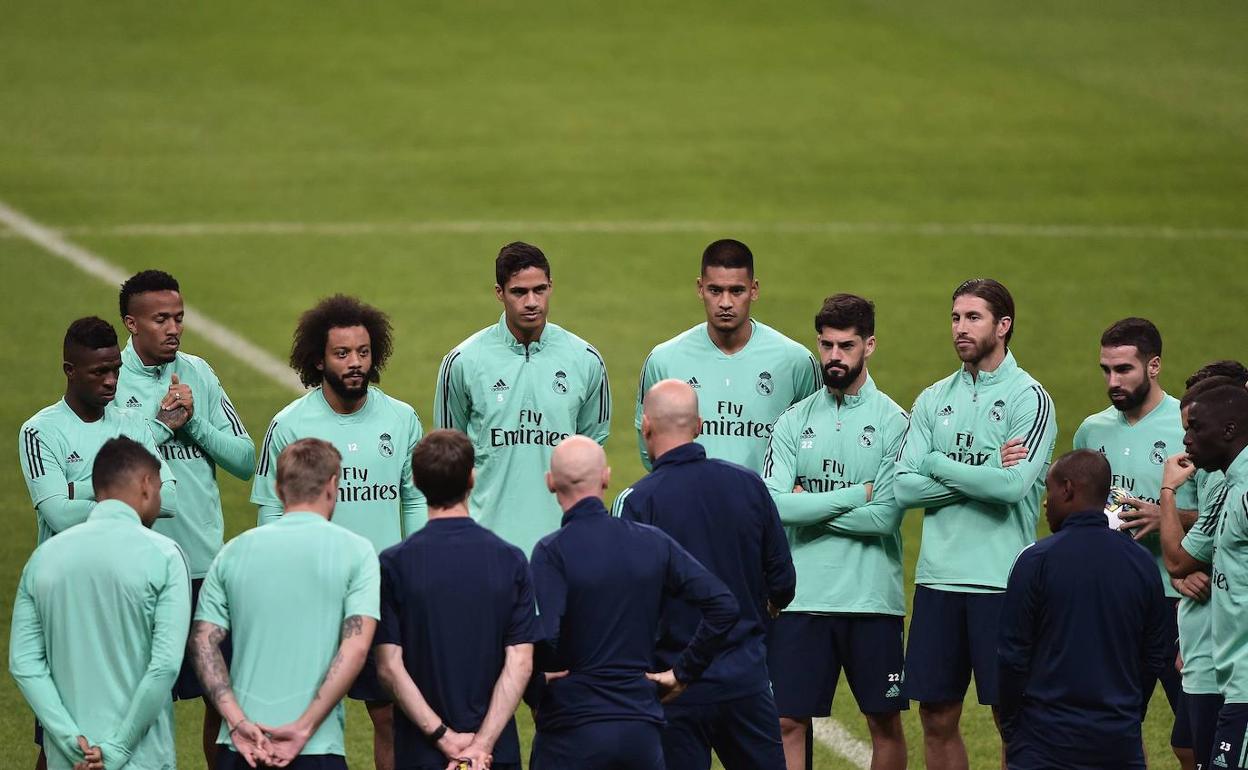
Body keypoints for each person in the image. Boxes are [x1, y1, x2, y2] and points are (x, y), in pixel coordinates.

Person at [251, 294, 423, 770]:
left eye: (363, 352)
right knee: (299, 712)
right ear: (318, 359)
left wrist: (413, 570)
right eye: (342, 354)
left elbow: (414, 500)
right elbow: (270, 509)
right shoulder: (289, 424)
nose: (355, 364)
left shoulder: (401, 419)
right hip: (310, 593)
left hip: (381, 593)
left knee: (389, 714)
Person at [894, 278, 1057, 770]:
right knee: (936, 715)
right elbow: (903, 488)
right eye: (955, 317)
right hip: (938, 580)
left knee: (1013, 717)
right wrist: (987, 466)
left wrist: (937, 463)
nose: (960, 328)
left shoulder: (1030, 399)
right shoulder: (931, 399)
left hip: (1001, 583)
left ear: (1003, 326)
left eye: (973, 318)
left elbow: (1012, 489)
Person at [17, 316, 179, 770]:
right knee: (57, 724)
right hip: (69, 589)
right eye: (98, 372)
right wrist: (119, 488)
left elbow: (171, 498)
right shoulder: (41, 431)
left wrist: (78, 489)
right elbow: (54, 512)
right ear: (69, 369)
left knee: (136, 689)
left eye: (115, 370)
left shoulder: (134, 423)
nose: (111, 380)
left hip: (130, 584)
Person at [761, 294, 909, 770]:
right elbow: (775, 506)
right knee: (787, 721)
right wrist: (855, 495)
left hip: (871, 601)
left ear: (870, 345)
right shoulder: (792, 421)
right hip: (802, 600)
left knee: (884, 722)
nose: (834, 357)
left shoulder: (896, 423)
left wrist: (809, 505)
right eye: (825, 345)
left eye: (846, 346)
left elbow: (885, 517)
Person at [615, 379, 795, 770]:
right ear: (699, 425)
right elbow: (783, 583)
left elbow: (627, 606)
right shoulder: (749, 485)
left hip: (672, 687)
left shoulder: (637, 502)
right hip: (745, 682)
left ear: (646, 426)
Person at [529, 436, 739, 770]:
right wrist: (683, 672)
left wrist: (537, 691)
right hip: (639, 730)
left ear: (551, 482)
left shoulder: (550, 552)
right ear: (606, 477)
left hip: (571, 732)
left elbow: (542, 639)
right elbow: (723, 605)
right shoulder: (652, 543)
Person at [115, 269, 255, 766]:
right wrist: (160, 426)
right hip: (141, 569)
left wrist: (193, 424)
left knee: (224, 697)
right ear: (132, 324)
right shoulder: (110, 380)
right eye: (160, 320)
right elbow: (109, 471)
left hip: (204, 566)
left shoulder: (199, 372)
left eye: (178, 317)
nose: (173, 328)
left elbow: (244, 460)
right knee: (144, 700)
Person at [195, 438, 379, 770]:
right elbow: (355, 650)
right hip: (315, 747)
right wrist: (304, 727)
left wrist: (237, 722)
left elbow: (203, 644)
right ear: (333, 485)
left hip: (240, 748)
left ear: (279, 489)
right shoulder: (357, 552)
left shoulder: (232, 553)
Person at [10, 436, 191, 770]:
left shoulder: (43, 559)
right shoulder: (165, 555)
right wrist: (117, 749)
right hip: (142, 759)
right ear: (147, 485)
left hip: (69, 760)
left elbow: (24, 663)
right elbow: (165, 665)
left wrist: (69, 741)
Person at [1071, 317, 1199, 768]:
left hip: (1178, 601)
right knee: (1111, 729)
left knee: (1193, 737)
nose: (1113, 381)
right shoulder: (1091, 431)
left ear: (1154, 365)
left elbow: (1222, 515)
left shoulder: (1190, 424)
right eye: (1106, 369)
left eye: (1124, 369)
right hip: (1113, 602)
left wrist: (1164, 513)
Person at [434, 242, 611, 557]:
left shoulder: (585, 360)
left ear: (551, 287)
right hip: (486, 545)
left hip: (565, 545)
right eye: (519, 292)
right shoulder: (463, 362)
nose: (532, 302)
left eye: (539, 290)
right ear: (499, 293)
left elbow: (591, 454)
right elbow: (450, 462)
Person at [375, 430, 536, 770]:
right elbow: (520, 662)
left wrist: (443, 738)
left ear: (417, 482)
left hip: (422, 754)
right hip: (493, 757)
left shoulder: (393, 565)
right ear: (471, 478)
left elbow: (389, 666)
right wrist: (482, 744)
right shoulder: (511, 560)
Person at [998, 449, 1169, 770]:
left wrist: (1011, 726)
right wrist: (1131, 714)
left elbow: (1011, 654)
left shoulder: (1035, 560)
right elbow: (1154, 653)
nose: (1045, 503)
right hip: (1117, 742)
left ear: (1067, 489)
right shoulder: (1141, 562)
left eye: (1049, 491)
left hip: (1043, 742)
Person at [634, 238, 819, 472]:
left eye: (737, 291)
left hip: (762, 506)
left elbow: (814, 441)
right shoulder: (664, 360)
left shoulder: (796, 362)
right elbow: (648, 445)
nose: (725, 303)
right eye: (715, 290)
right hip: (692, 504)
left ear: (754, 290)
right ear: (700, 288)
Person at [1158, 363, 1248, 770]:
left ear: (1228, 430)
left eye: (1195, 428)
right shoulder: (1229, 487)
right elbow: (1181, 562)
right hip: (1231, 682)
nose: (1185, 439)